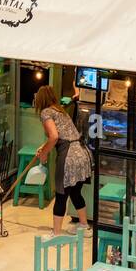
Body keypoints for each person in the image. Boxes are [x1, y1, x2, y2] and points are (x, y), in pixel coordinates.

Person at [33, 84, 93, 236]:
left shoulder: (46, 112)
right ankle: (84, 227)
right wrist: (44, 147)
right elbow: (62, 135)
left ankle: (56, 234)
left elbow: (54, 137)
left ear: (40, 99)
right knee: (75, 192)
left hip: (69, 157)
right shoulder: (60, 110)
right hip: (82, 153)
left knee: (61, 194)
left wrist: (45, 153)